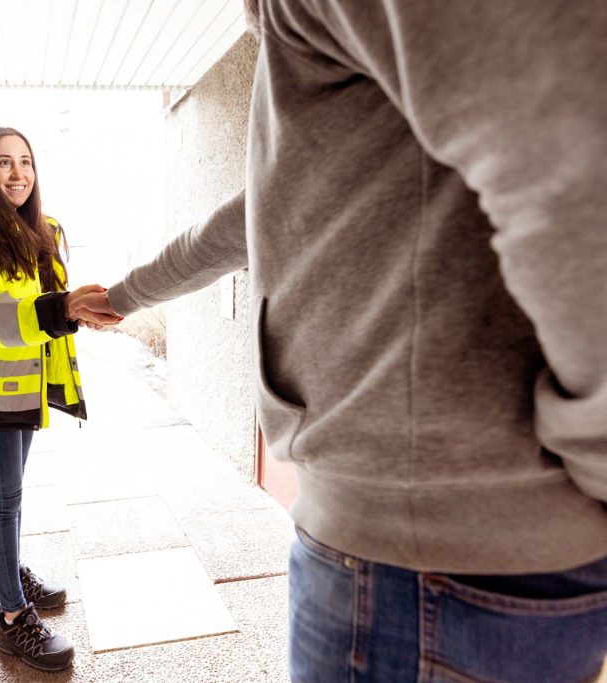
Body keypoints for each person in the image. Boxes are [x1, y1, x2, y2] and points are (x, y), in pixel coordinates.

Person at [85, 1, 607, 680]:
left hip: (432, 568)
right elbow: (257, 213)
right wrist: (123, 296)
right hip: (425, 557)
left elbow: (572, 152)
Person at [0, 127, 121, 672]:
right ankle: (13, 618)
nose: (18, 174)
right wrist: (63, 309)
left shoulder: (43, 229)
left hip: (21, 389)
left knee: (13, 495)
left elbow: (48, 301)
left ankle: (8, 574)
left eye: (26, 162)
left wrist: (80, 308)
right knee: (4, 499)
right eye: (2, 163)